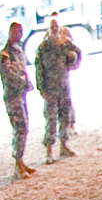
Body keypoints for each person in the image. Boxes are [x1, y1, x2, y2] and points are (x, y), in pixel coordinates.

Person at [33, 16, 81, 163]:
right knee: (51, 119)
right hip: (50, 89)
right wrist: (41, 88)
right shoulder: (43, 47)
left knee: (65, 117)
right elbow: (38, 69)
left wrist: (74, 64)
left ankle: (64, 145)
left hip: (64, 87)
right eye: (52, 26)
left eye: (56, 27)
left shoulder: (64, 43)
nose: (54, 29)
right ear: (48, 29)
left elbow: (77, 52)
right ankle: (49, 151)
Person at [0, 23, 35, 179]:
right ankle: (17, 164)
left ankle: (21, 161)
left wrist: (27, 82)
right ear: (10, 32)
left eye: (20, 31)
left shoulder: (18, 50)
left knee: (24, 127)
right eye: (15, 32)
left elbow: (23, 70)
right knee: (20, 128)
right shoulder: (5, 54)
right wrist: (23, 82)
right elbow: (8, 75)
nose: (18, 34)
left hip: (21, 95)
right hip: (13, 96)